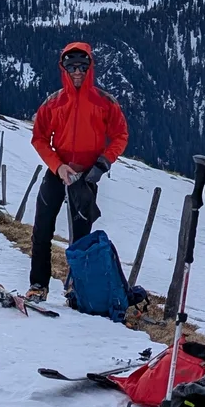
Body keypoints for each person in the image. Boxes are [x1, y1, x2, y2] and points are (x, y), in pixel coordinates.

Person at [26, 41, 129, 304]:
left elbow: (120, 135)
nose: (77, 72)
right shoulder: (54, 103)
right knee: (42, 230)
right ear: (63, 68)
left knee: (81, 238)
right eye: (71, 66)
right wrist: (57, 166)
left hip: (86, 176)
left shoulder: (104, 103)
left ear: (90, 66)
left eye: (82, 66)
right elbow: (39, 137)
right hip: (58, 171)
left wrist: (102, 165)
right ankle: (38, 285)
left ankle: (76, 290)